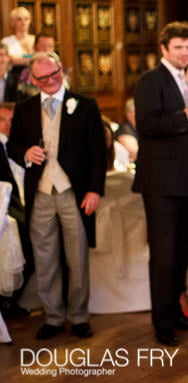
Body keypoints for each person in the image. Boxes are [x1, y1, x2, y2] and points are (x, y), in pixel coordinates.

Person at [7, 52, 107, 340]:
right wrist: (25, 153)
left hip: (72, 192)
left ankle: (78, 316)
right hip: (40, 193)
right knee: (45, 257)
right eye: (43, 78)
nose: (51, 81)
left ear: (61, 70)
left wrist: (94, 190)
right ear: (33, 80)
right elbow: (13, 146)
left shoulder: (85, 105)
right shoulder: (24, 108)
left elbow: (97, 152)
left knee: (77, 257)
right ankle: (52, 317)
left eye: (54, 74)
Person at [132, 21, 188, 347]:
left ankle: (176, 312)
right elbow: (146, 125)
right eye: (178, 47)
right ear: (164, 49)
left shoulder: (183, 79)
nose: (184, 52)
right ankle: (162, 323)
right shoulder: (150, 80)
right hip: (160, 182)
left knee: (180, 252)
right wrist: (187, 116)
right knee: (163, 255)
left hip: (186, 178)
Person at [0, 102, 31, 317]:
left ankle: (11, 298)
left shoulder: (21, 146)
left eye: (12, 121)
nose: (8, 125)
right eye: (2, 120)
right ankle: (7, 299)